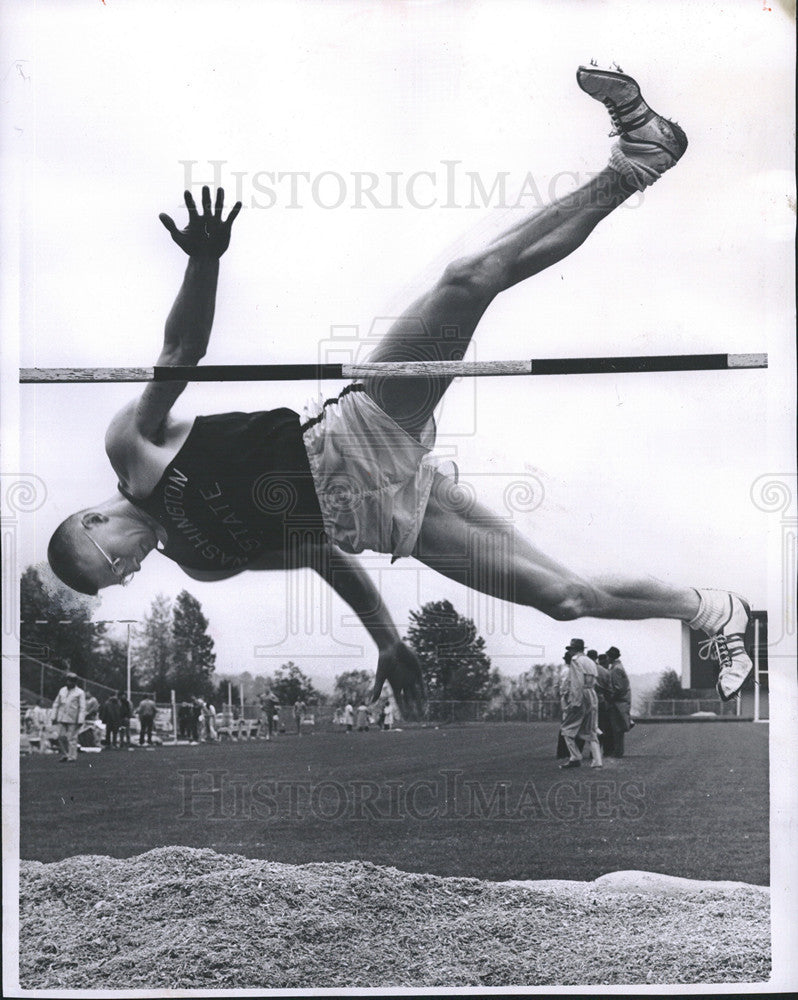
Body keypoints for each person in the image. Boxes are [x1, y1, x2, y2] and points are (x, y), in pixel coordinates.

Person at [46, 67, 752, 714]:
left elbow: (182, 350)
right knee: (566, 599)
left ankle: (635, 160)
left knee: (468, 279)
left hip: (358, 437)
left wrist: (203, 264)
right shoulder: (200, 564)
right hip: (392, 522)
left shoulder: (134, 449)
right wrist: (385, 638)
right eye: (120, 582)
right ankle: (710, 610)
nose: (131, 568)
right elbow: (324, 552)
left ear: (92, 521)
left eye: (112, 563)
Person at [559, 639, 602, 769]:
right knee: (591, 729)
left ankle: (575, 757)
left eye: (570, 649)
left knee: (566, 729)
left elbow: (577, 682)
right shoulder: (590, 661)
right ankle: (597, 761)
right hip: (592, 694)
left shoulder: (575, 660)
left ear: (574, 650)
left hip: (582, 695)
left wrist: (575, 702)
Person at [51, 673, 86, 762]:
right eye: (68, 680)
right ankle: (65, 754)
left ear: (75, 682)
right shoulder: (62, 690)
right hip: (62, 717)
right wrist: (53, 716)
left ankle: (72, 756)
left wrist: (81, 719)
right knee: (60, 736)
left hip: (73, 718)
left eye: (71, 681)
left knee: (72, 738)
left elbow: (82, 707)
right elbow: (56, 703)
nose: (68, 682)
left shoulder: (80, 692)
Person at [605, 646, 633, 758]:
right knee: (618, 728)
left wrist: (611, 698)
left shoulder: (616, 669)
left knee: (617, 728)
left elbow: (618, 687)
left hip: (618, 702)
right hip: (622, 701)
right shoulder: (618, 667)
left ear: (610, 656)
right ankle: (618, 751)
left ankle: (618, 752)